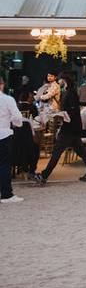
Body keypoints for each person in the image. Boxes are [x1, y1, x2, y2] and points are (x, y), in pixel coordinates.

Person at [36, 72, 86, 185]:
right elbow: (73, 109)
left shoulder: (70, 93)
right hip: (73, 126)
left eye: (59, 80)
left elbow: (73, 110)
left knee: (57, 151)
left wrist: (61, 114)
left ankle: (44, 175)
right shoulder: (69, 92)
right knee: (81, 150)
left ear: (64, 80)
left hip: (69, 127)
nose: (58, 82)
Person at [1, 74, 26, 203]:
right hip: (3, 134)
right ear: (2, 85)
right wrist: (17, 124)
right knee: (4, 165)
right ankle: (6, 194)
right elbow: (17, 118)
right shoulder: (7, 99)